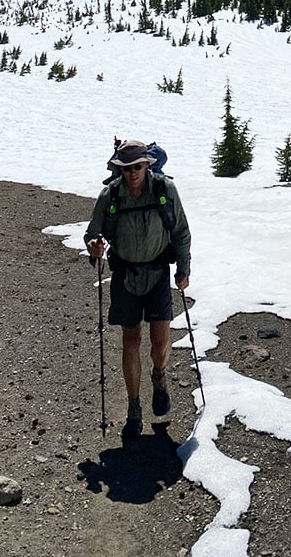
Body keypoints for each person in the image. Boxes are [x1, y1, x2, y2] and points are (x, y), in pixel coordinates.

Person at [85, 138, 191, 441]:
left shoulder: (164, 190)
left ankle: (159, 377)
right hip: (125, 275)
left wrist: (183, 269)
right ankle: (134, 407)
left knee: (160, 342)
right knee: (131, 340)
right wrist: (94, 246)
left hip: (157, 272)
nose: (132, 172)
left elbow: (181, 232)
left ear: (148, 165)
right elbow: (93, 233)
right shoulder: (111, 195)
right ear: (120, 169)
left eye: (138, 167)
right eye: (127, 168)